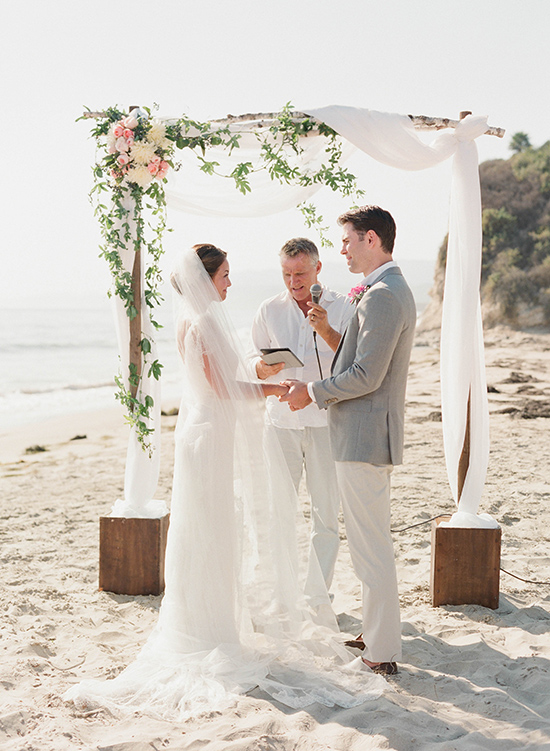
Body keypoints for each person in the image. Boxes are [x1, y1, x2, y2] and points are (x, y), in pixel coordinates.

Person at [65, 244, 386, 719]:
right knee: (210, 532)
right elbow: (227, 390)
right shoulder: (202, 323)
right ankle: (209, 632)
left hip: (204, 432)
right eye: (226, 276)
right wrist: (275, 388)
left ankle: (211, 625)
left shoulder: (195, 319)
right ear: (205, 279)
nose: (231, 284)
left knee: (210, 533)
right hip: (210, 436)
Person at [281, 207, 416, 676]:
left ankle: (381, 652)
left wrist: (313, 392)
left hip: (364, 433)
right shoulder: (383, 289)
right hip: (359, 432)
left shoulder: (383, 295)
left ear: (371, 239)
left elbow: (367, 374)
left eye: (346, 240)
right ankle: (374, 633)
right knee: (365, 542)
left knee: (370, 545)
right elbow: (358, 358)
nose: (340, 249)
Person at [249, 238, 354, 594]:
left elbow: (357, 361)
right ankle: (283, 595)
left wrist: (325, 329)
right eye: (286, 274)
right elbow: (253, 365)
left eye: (300, 273)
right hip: (280, 424)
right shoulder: (269, 310)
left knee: (325, 515)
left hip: (326, 423)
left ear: (318, 269)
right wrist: (264, 367)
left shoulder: (343, 306)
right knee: (279, 512)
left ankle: (316, 597)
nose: (293, 281)